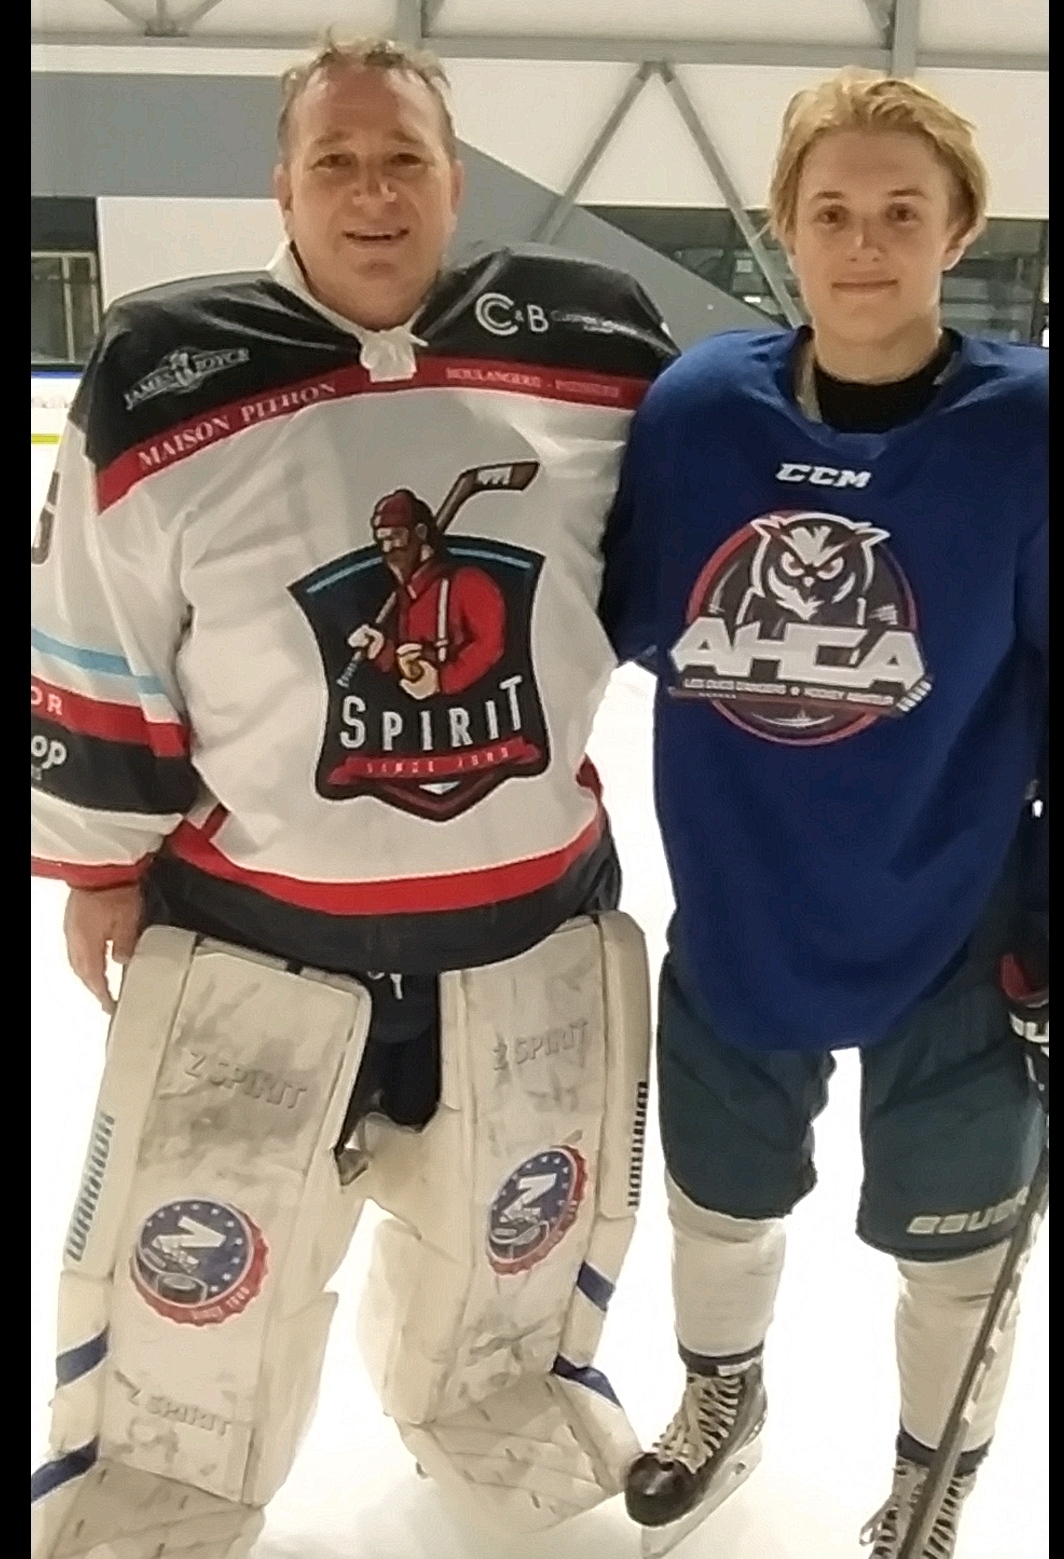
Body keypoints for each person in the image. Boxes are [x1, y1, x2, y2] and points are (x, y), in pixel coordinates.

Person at [30, 35, 676, 1558]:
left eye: (404, 160)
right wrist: (102, 863)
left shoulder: (596, 347)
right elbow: (94, 625)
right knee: (203, 1254)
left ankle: (499, 1403)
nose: (372, 191)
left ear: (455, 183)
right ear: (284, 185)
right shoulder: (164, 370)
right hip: (258, 931)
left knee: (514, 1231)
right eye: (336, 160)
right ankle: (163, 1481)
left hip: (526, 916)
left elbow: (686, 561)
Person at [600, 70, 1047, 1559]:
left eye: (902, 212)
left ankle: (932, 1475)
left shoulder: (1028, 427)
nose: (865, 243)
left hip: (959, 915)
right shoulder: (697, 412)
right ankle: (721, 1400)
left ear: (960, 230)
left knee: (959, 1240)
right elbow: (621, 620)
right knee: (720, 1199)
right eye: (833, 210)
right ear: (783, 226)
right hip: (747, 899)